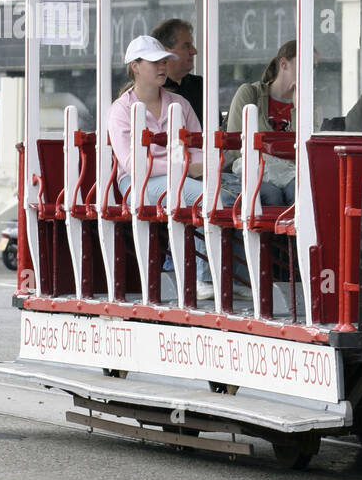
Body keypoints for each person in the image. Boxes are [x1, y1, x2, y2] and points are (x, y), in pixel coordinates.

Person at [108, 34, 211, 289]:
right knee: (205, 197)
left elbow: (196, 147)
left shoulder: (180, 103)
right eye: (155, 62)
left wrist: (196, 168)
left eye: (164, 62)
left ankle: (230, 276)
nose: (162, 67)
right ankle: (203, 277)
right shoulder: (121, 109)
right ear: (135, 66)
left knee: (236, 195)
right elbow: (133, 163)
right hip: (137, 183)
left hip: (182, 176)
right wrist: (186, 168)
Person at [225, 41, 297, 207]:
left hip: (291, 174)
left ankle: (292, 234)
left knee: (297, 191)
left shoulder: (305, 105)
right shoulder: (250, 93)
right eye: (304, 64)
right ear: (284, 64)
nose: (310, 72)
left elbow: (309, 151)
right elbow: (235, 147)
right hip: (254, 171)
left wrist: (298, 106)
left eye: (313, 67)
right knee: (271, 195)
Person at [152, 18, 204, 124]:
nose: (194, 51)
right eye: (186, 46)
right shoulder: (151, 90)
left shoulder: (201, 85)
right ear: (165, 51)